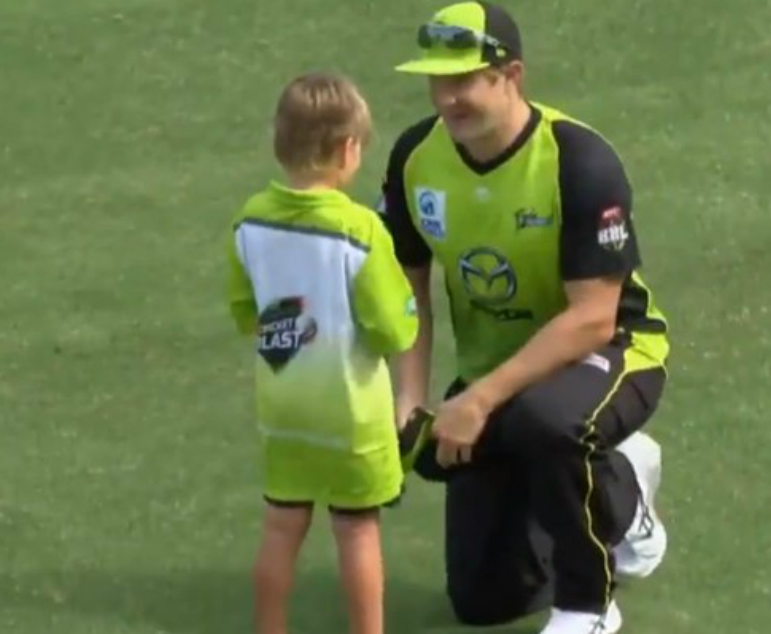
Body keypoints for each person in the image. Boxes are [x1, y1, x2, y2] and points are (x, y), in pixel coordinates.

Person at [381, 2, 672, 633]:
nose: (447, 99)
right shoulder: (414, 158)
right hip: (502, 370)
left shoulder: (578, 161)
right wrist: (409, 399)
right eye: (437, 81)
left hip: (614, 351)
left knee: (549, 421)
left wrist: (480, 399)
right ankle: (612, 482)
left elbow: (592, 319)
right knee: (484, 599)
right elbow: (408, 288)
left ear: (511, 75)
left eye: (464, 81)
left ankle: (589, 605)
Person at [226, 71, 418, 634]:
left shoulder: (250, 221)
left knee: (280, 525)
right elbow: (392, 328)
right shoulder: (360, 231)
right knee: (357, 529)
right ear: (348, 148)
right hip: (352, 416)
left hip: (283, 408)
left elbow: (244, 309)